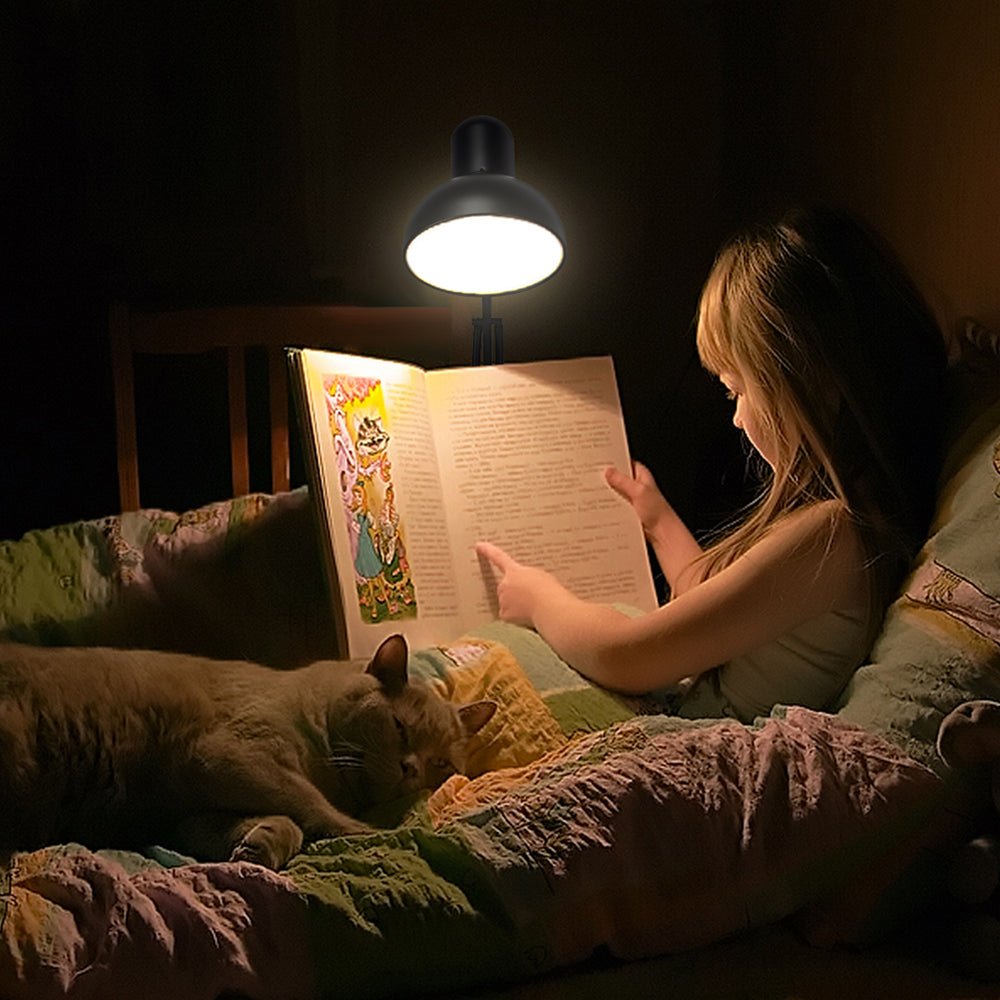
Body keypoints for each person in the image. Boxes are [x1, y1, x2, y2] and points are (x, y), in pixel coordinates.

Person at [477, 207, 948, 721]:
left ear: (816, 379)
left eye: (737, 390)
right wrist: (659, 523)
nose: (739, 419)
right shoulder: (843, 523)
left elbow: (629, 655)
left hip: (696, 733)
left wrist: (542, 600)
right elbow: (712, 606)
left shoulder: (832, 534)